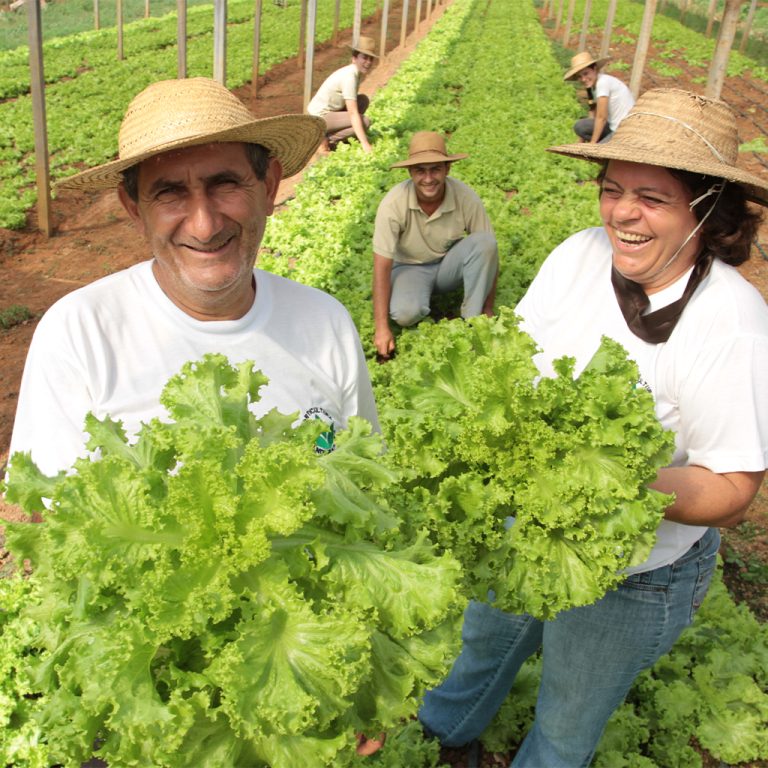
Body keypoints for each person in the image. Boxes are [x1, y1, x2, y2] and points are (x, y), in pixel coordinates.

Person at [418, 88, 768, 766]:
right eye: (612, 190)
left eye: (652, 198)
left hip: (637, 574)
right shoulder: (577, 255)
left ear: (707, 208)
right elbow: (514, 360)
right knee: (478, 650)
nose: (623, 213)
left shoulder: (731, 322)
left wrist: (602, 478)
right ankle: (435, 742)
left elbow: (732, 489)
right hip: (527, 522)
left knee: (565, 723)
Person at [8, 77, 379, 489]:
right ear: (134, 209)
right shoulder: (79, 335)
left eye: (225, 184)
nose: (205, 226)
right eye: (170, 193)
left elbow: (362, 480)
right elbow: (54, 513)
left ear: (270, 187)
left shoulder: (325, 322)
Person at [372, 131, 499, 359]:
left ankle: (473, 319)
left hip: (448, 265)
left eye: (436, 169)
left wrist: (488, 308)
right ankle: (417, 297)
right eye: (420, 170)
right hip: (410, 268)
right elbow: (382, 265)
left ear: (447, 169)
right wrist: (381, 328)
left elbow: (489, 252)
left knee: (485, 241)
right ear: (410, 172)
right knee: (405, 314)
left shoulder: (465, 196)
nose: (428, 178)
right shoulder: (393, 203)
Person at [307, 35, 377, 153]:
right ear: (354, 58)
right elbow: (353, 113)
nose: (368, 62)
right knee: (364, 122)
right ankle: (325, 139)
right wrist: (365, 143)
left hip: (329, 112)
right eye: (365, 58)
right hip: (318, 118)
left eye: (371, 59)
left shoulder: (354, 72)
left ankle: (332, 135)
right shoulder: (350, 77)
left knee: (362, 100)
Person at [564, 50, 634, 144]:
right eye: (579, 76)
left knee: (599, 151)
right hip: (612, 125)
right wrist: (580, 142)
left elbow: (601, 117)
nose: (583, 79)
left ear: (595, 69)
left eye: (586, 73)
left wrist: (592, 144)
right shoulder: (594, 86)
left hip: (624, 130)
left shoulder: (602, 83)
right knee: (580, 126)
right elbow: (593, 113)